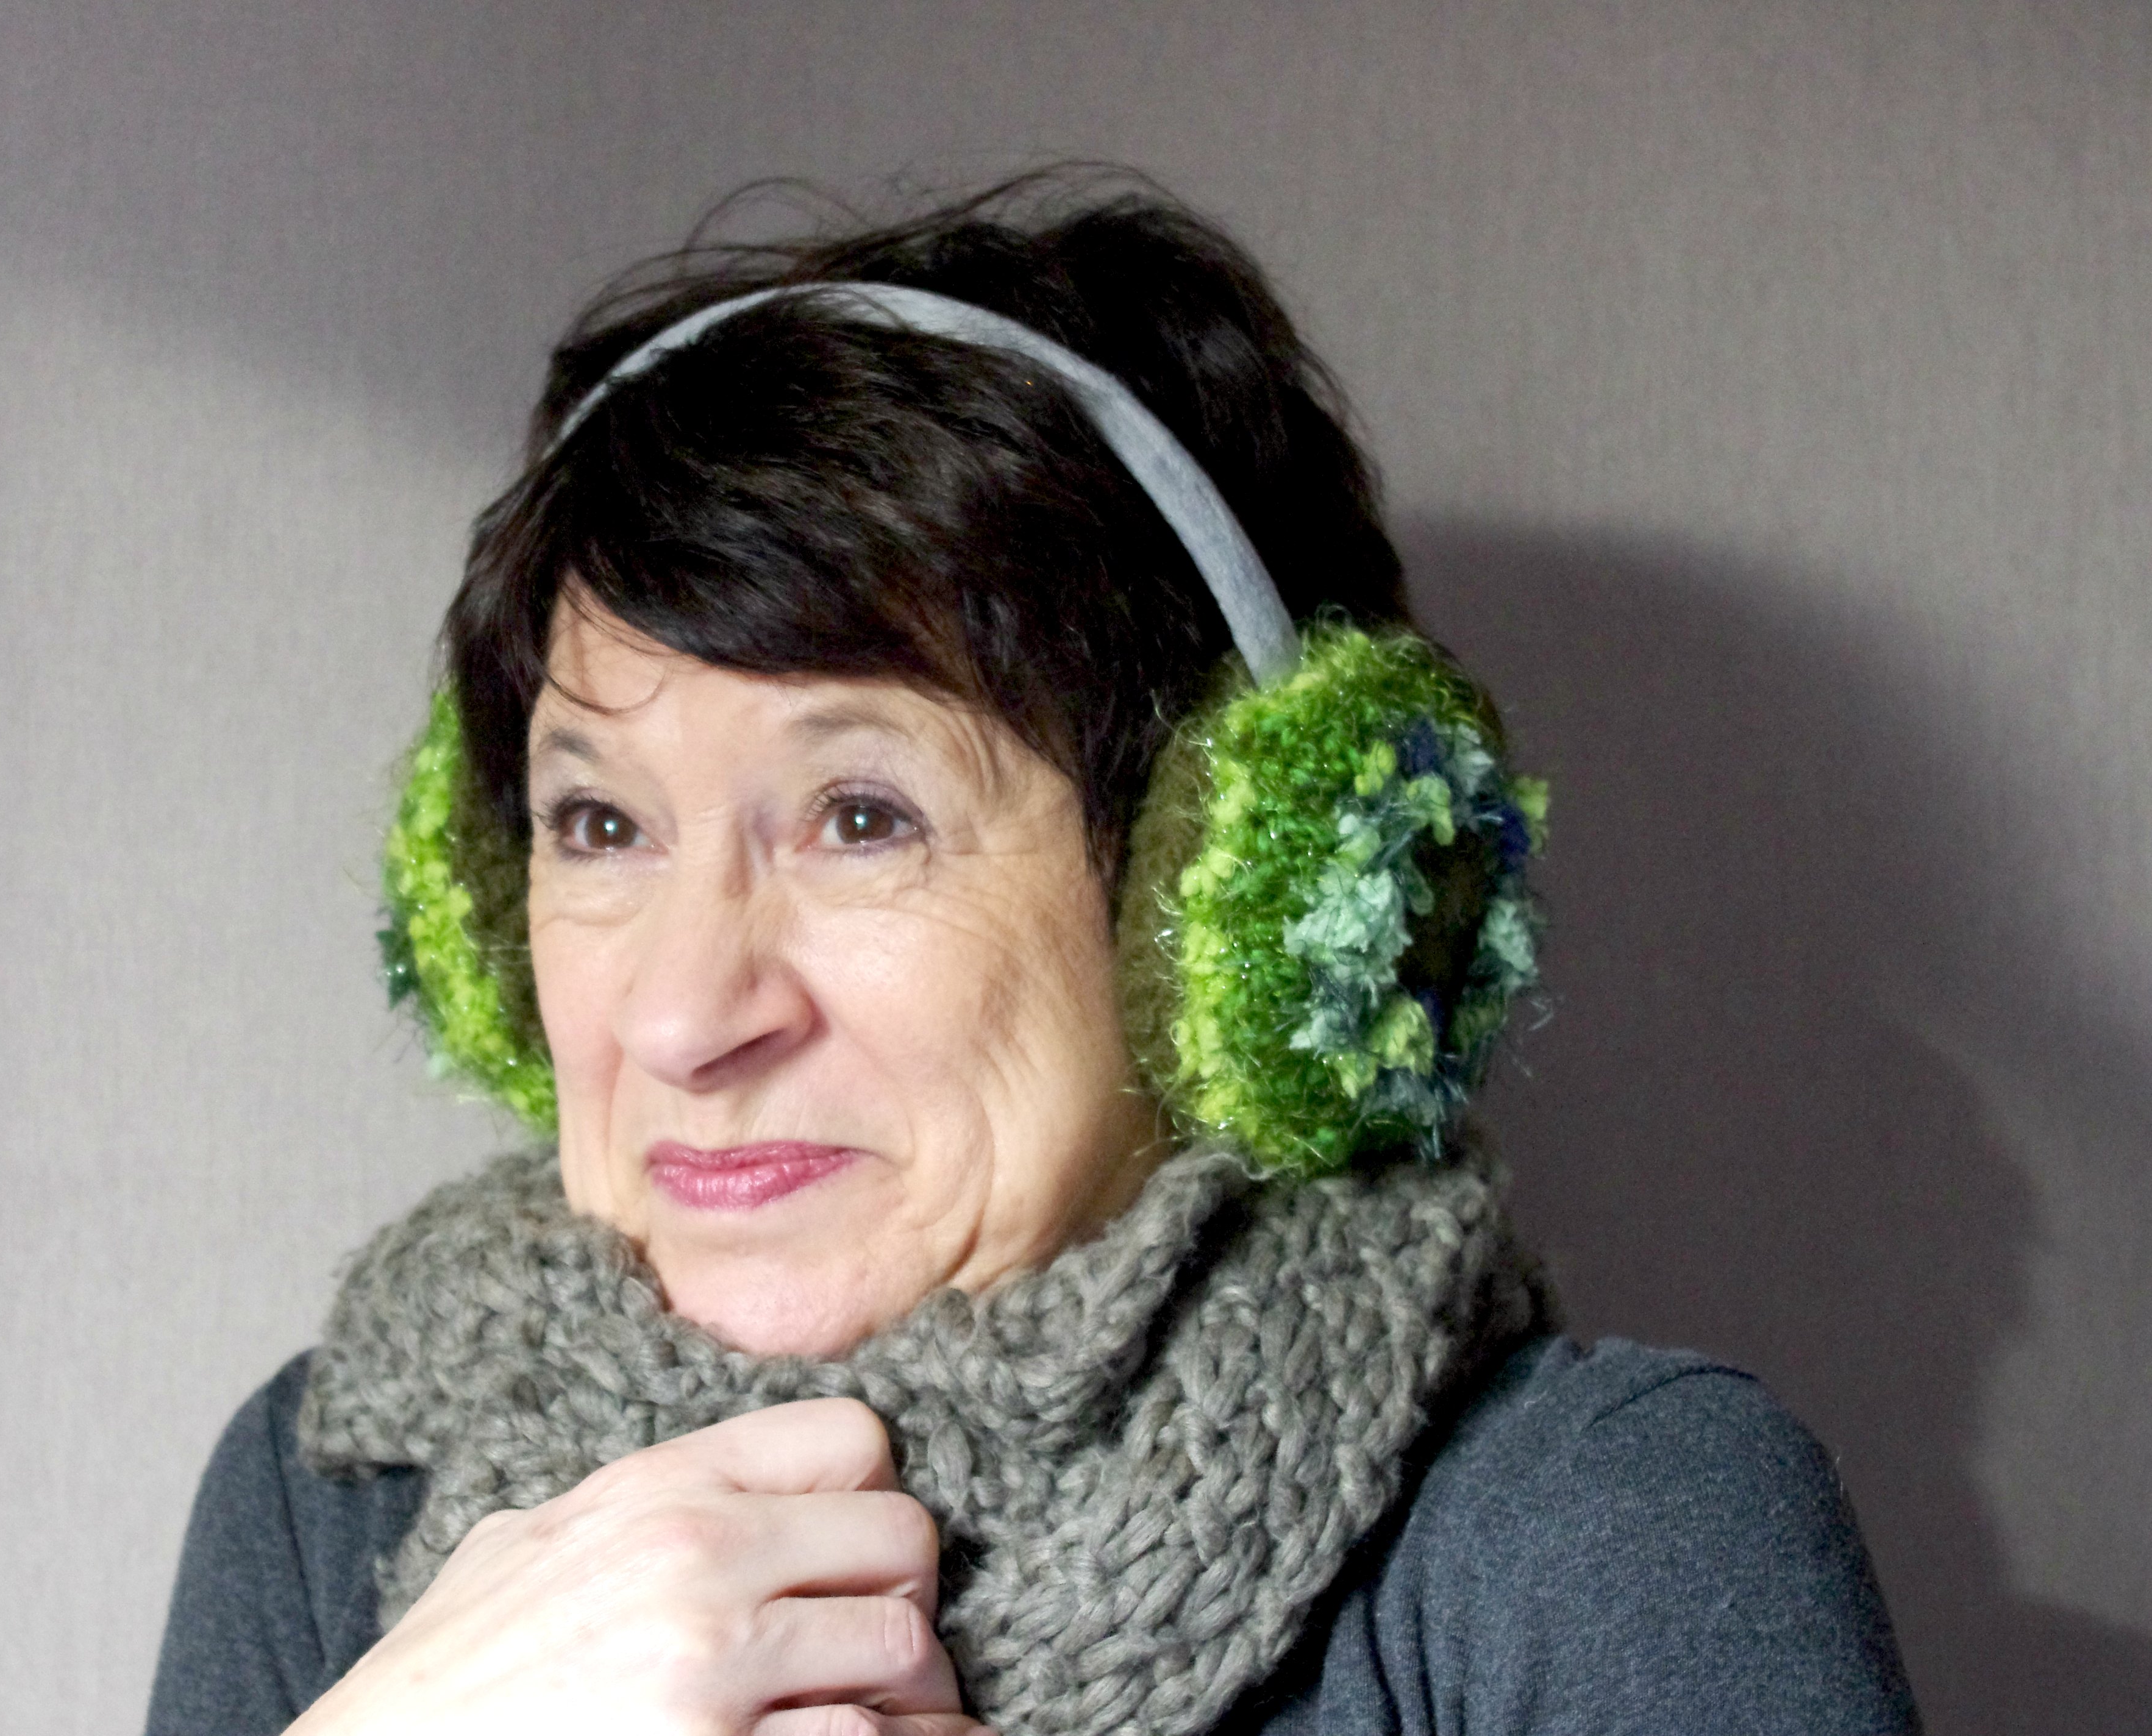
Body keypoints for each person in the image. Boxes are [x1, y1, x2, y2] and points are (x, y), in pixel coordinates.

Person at [145, 174, 1919, 1736]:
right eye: (600, 825)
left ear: (1236, 911)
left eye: (862, 817)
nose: (682, 1016)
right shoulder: (328, 1498)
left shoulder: (1603, 1530)